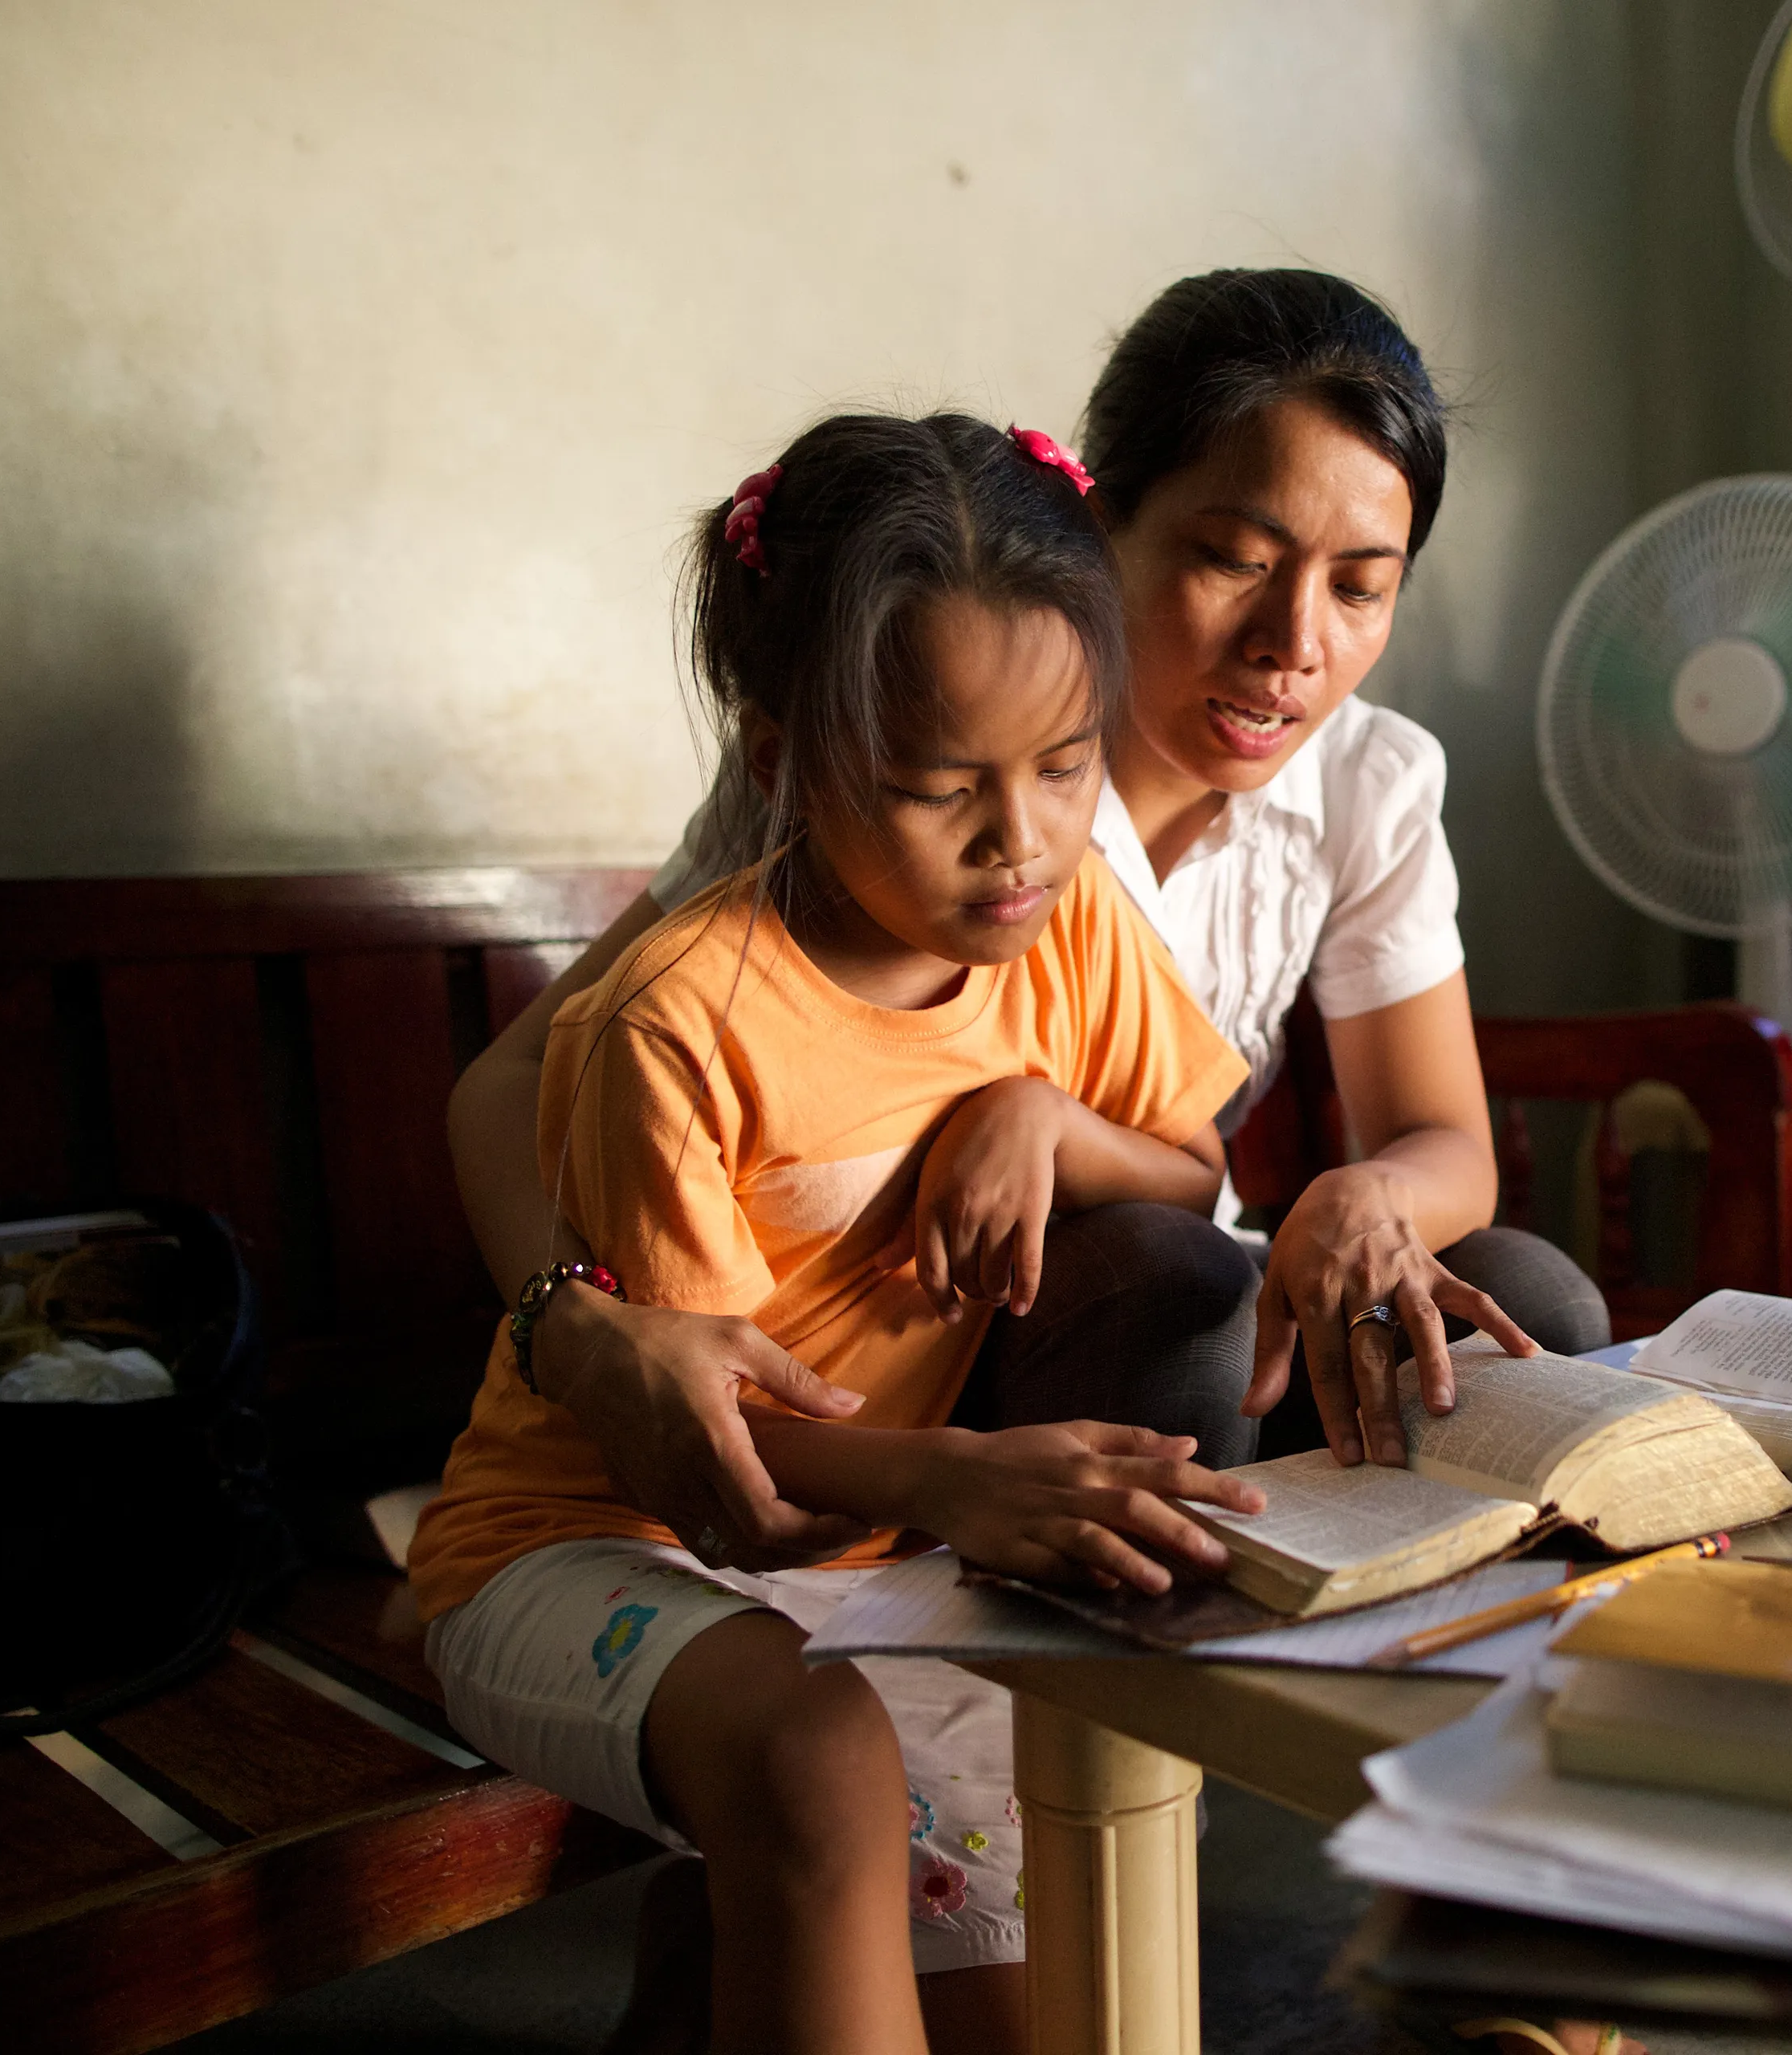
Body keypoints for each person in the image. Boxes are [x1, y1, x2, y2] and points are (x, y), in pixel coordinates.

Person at [448, 268, 1610, 1581]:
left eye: (1361, 585)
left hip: (1187, 1278)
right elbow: (525, 1074)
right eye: (1234, 559)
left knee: (1536, 1307)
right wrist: (578, 1330)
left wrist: (1362, 1193)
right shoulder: (905, 755)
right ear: (1101, 527)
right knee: (1179, 1287)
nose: (1295, 643)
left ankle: (1421, 1729)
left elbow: (1439, 1137)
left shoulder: (1368, 780)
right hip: (955, 1338)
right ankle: (1117, 1735)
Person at [408, 413, 1273, 2053]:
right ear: (778, 758)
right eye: (940, 787)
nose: (1020, 840)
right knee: (820, 1760)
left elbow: (1188, 1171)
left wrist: (1044, 1112)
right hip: (593, 1545)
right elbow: (711, 1457)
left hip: (871, 1558)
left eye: (1068, 765)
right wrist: (959, 1480)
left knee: (1067, 1997)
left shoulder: (1071, 922)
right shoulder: (678, 1017)